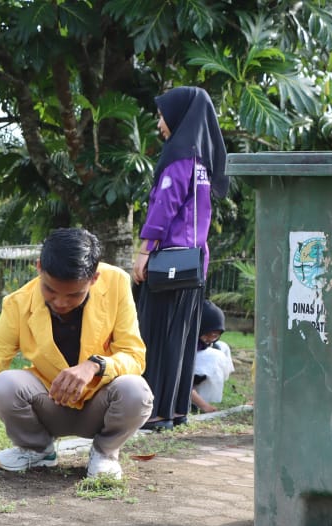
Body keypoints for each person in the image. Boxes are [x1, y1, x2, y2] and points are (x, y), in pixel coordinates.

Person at [0, 227, 152, 481]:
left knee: (136, 391)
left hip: (101, 407)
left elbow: (134, 355)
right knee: (3, 385)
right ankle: (37, 450)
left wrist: (94, 366)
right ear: (39, 268)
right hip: (50, 404)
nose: (60, 302)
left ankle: (105, 452)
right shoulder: (17, 304)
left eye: (74, 295)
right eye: (50, 290)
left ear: (94, 278)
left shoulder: (116, 282)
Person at [132, 86, 229, 430]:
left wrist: (145, 250)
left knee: (154, 335)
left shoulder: (177, 156)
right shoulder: (202, 159)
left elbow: (164, 207)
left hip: (166, 265)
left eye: (162, 115)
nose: (159, 123)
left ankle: (152, 411)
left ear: (178, 116)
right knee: (182, 339)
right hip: (193, 265)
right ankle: (173, 411)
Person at [190, 299, 234, 414]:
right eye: (207, 335)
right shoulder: (186, 345)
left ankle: (206, 396)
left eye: (215, 336)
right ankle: (195, 402)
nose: (210, 340)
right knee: (216, 357)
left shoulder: (205, 342)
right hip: (187, 384)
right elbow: (181, 381)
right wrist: (204, 406)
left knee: (223, 347)